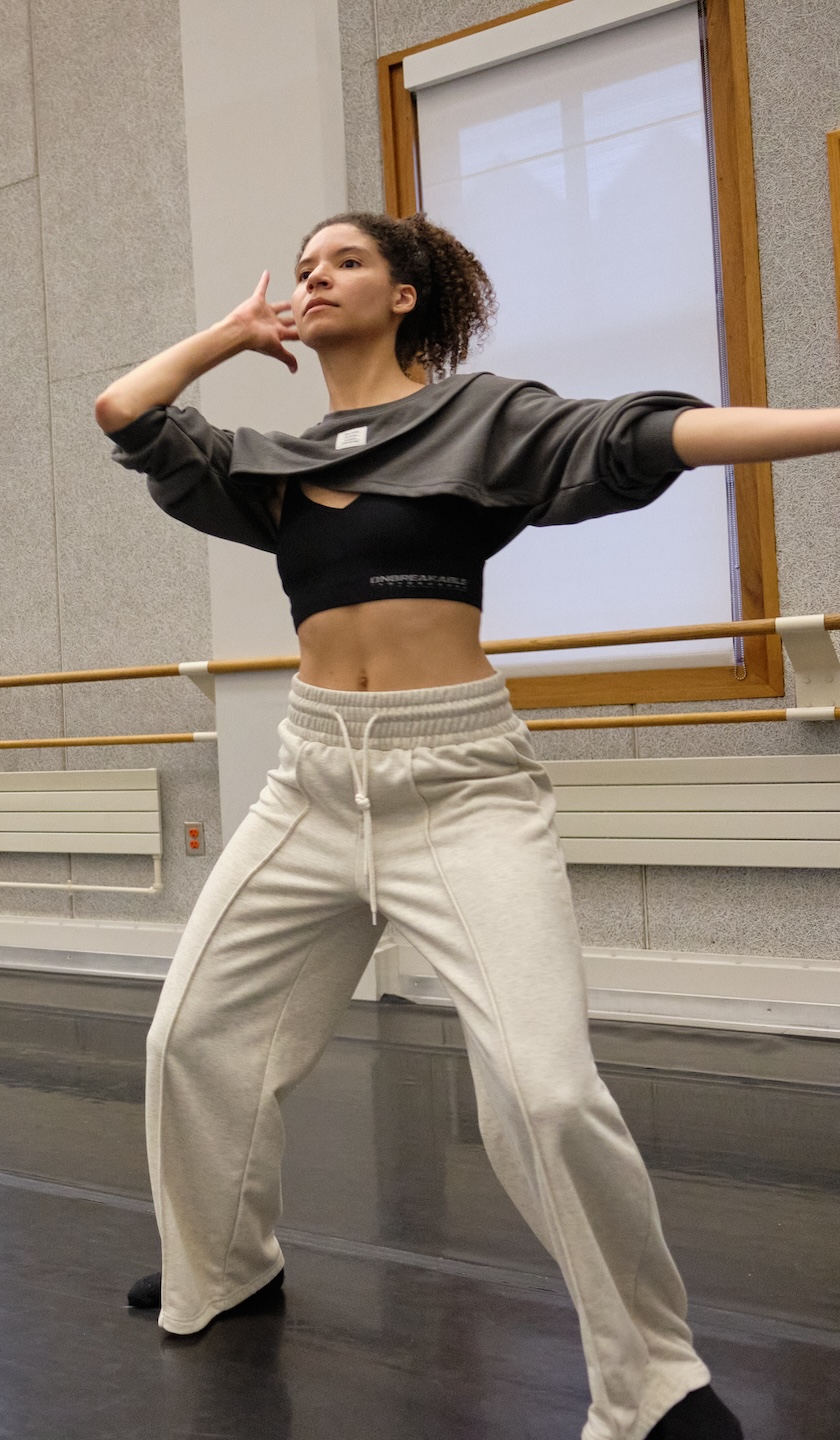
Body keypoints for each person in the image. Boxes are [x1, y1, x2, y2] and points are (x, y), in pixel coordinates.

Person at [92, 211, 839, 1440]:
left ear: (404, 296)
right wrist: (231, 333)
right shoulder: (278, 457)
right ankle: (226, 1264)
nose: (316, 273)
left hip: (462, 781)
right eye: (307, 261)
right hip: (310, 782)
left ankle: (653, 1383)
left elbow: (656, 434)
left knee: (545, 1098)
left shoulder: (480, 418)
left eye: (346, 260)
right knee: (191, 1041)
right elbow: (128, 413)